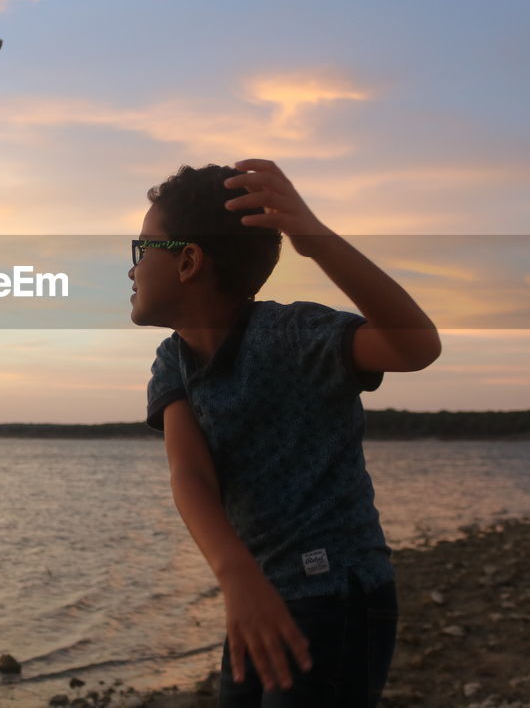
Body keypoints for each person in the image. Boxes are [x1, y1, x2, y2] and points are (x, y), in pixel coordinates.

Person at [129, 159, 441, 707]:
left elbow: (415, 346)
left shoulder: (291, 335)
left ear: (187, 261)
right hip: (254, 593)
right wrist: (237, 577)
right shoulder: (172, 360)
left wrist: (313, 238)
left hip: (338, 595)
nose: (131, 269)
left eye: (141, 248)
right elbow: (191, 474)